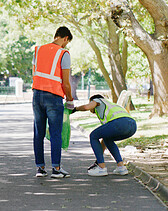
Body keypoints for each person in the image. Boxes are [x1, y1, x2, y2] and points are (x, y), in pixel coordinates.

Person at [32, 26, 74, 178]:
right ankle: (56, 169)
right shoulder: (64, 53)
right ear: (65, 38)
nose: (65, 45)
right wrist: (70, 99)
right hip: (54, 96)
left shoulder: (38, 50)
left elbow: (34, 74)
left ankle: (40, 168)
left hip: (37, 95)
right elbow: (66, 82)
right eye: (66, 42)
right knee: (56, 133)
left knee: (38, 132)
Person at [72, 94, 137, 176]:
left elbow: (86, 107)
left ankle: (101, 169)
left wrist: (75, 109)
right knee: (107, 139)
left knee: (93, 136)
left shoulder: (98, 100)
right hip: (132, 126)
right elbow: (103, 141)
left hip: (119, 123)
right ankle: (121, 168)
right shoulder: (111, 105)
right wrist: (99, 158)